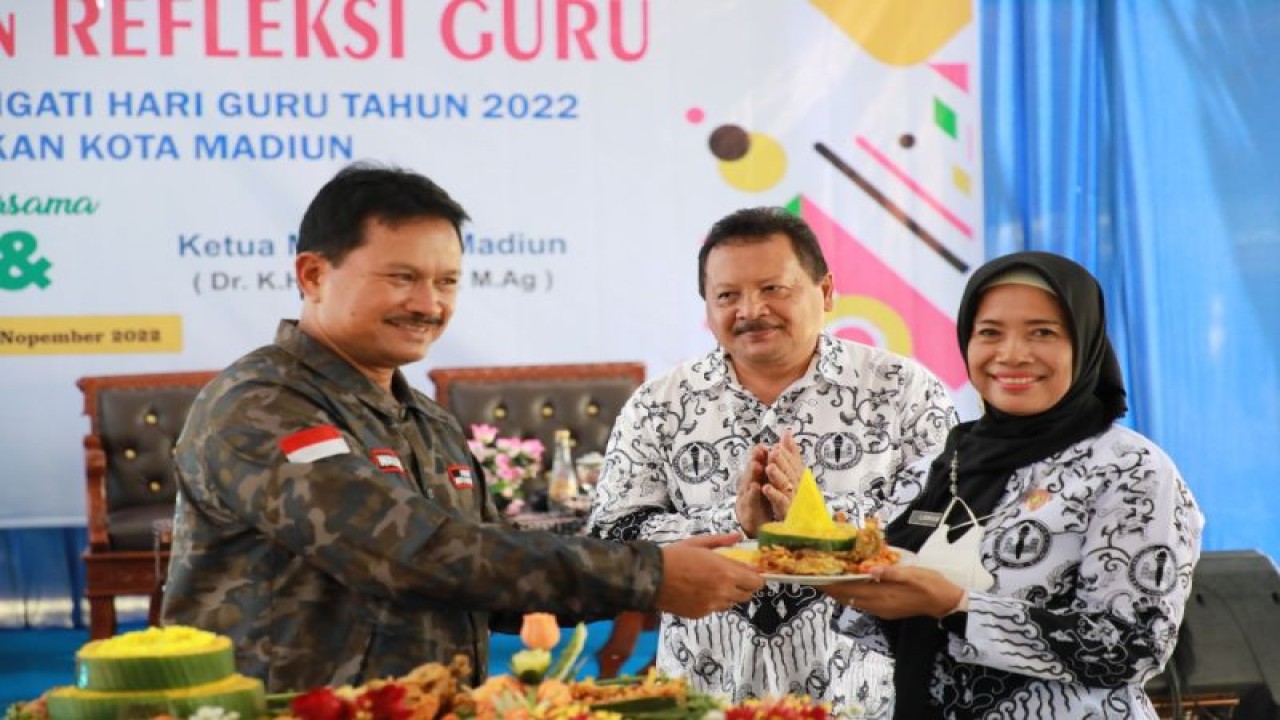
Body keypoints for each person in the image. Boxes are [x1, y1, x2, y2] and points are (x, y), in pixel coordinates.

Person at [162, 162, 764, 693]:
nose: (429, 304)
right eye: (402, 278)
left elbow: (490, 577)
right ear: (314, 275)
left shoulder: (424, 418)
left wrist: (663, 559)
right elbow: (409, 554)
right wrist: (648, 573)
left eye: (447, 281)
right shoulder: (262, 403)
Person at [586, 206, 957, 714]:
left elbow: (942, 530)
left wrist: (810, 519)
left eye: (773, 289)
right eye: (727, 296)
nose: (751, 310)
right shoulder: (659, 403)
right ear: (707, 307)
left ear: (825, 292)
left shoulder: (903, 390)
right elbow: (610, 539)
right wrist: (735, 523)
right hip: (702, 696)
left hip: (858, 697)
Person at [821, 251, 1204, 719]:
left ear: (1083, 344)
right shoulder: (940, 464)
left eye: (1042, 332)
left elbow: (1133, 645)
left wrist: (957, 607)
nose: (1012, 354)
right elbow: (877, 624)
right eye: (990, 333)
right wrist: (801, 544)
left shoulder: (1130, 471)